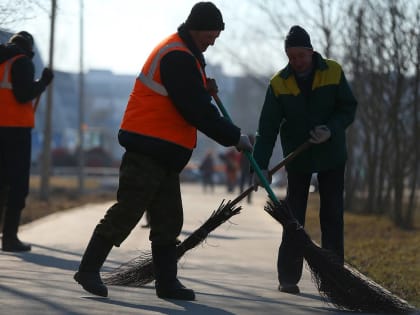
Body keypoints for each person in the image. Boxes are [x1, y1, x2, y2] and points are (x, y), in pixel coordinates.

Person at [73, 2, 253, 301]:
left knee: (169, 220)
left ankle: (167, 283)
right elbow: (195, 110)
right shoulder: (177, 56)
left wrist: (202, 87)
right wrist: (234, 136)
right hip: (147, 148)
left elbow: (188, 98)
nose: (214, 40)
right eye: (213, 33)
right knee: (128, 210)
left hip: (165, 152)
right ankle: (89, 269)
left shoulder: (187, 56)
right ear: (200, 28)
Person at [252, 25, 357, 294]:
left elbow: (348, 107)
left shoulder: (332, 71)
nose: (297, 61)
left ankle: (334, 281)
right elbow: (267, 128)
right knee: (293, 216)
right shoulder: (279, 83)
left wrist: (330, 129)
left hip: (331, 155)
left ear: (311, 51)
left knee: (332, 215)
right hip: (297, 157)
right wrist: (260, 166)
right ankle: (288, 278)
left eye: (301, 55)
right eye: (292, 56)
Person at [0, 31, 54, 252]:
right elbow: (23, 95)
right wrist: (43, 82)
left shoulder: (2, 62)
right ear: (29, 48)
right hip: (16, 131)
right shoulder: (21, 62)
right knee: (17, 185)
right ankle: (10, 238)